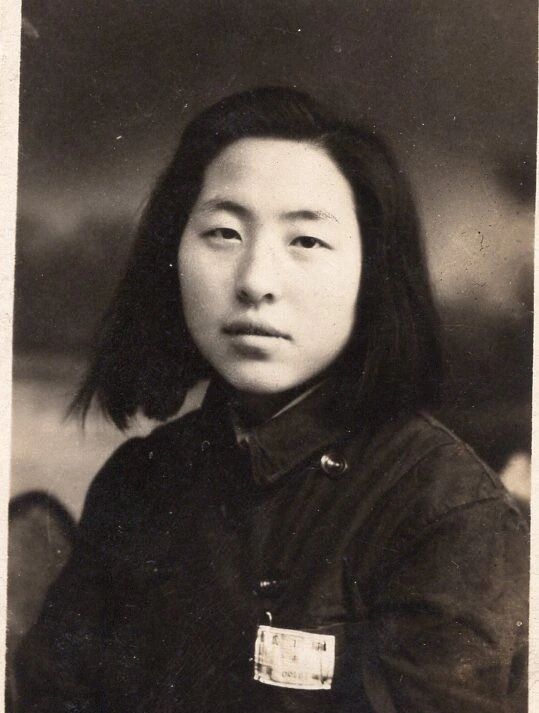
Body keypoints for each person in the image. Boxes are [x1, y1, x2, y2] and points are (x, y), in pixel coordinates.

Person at [14, 86, 528, 713]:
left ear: (373, 272)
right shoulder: (138, 481)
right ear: (172, 253)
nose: (255, 280)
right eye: (224, 232)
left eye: (305, 241)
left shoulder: (446, 514)